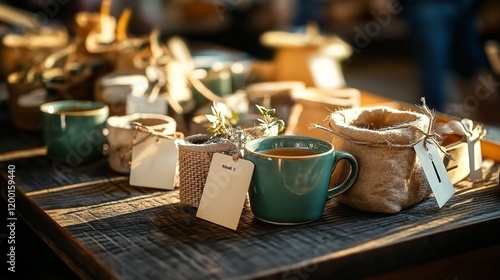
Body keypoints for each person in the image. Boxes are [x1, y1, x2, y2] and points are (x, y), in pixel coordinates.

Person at [402, 0, 492, 113]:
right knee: (434, 67)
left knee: (476, 67)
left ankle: (487, 120)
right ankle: (431, 118)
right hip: (428, 5)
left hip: (466, 7)